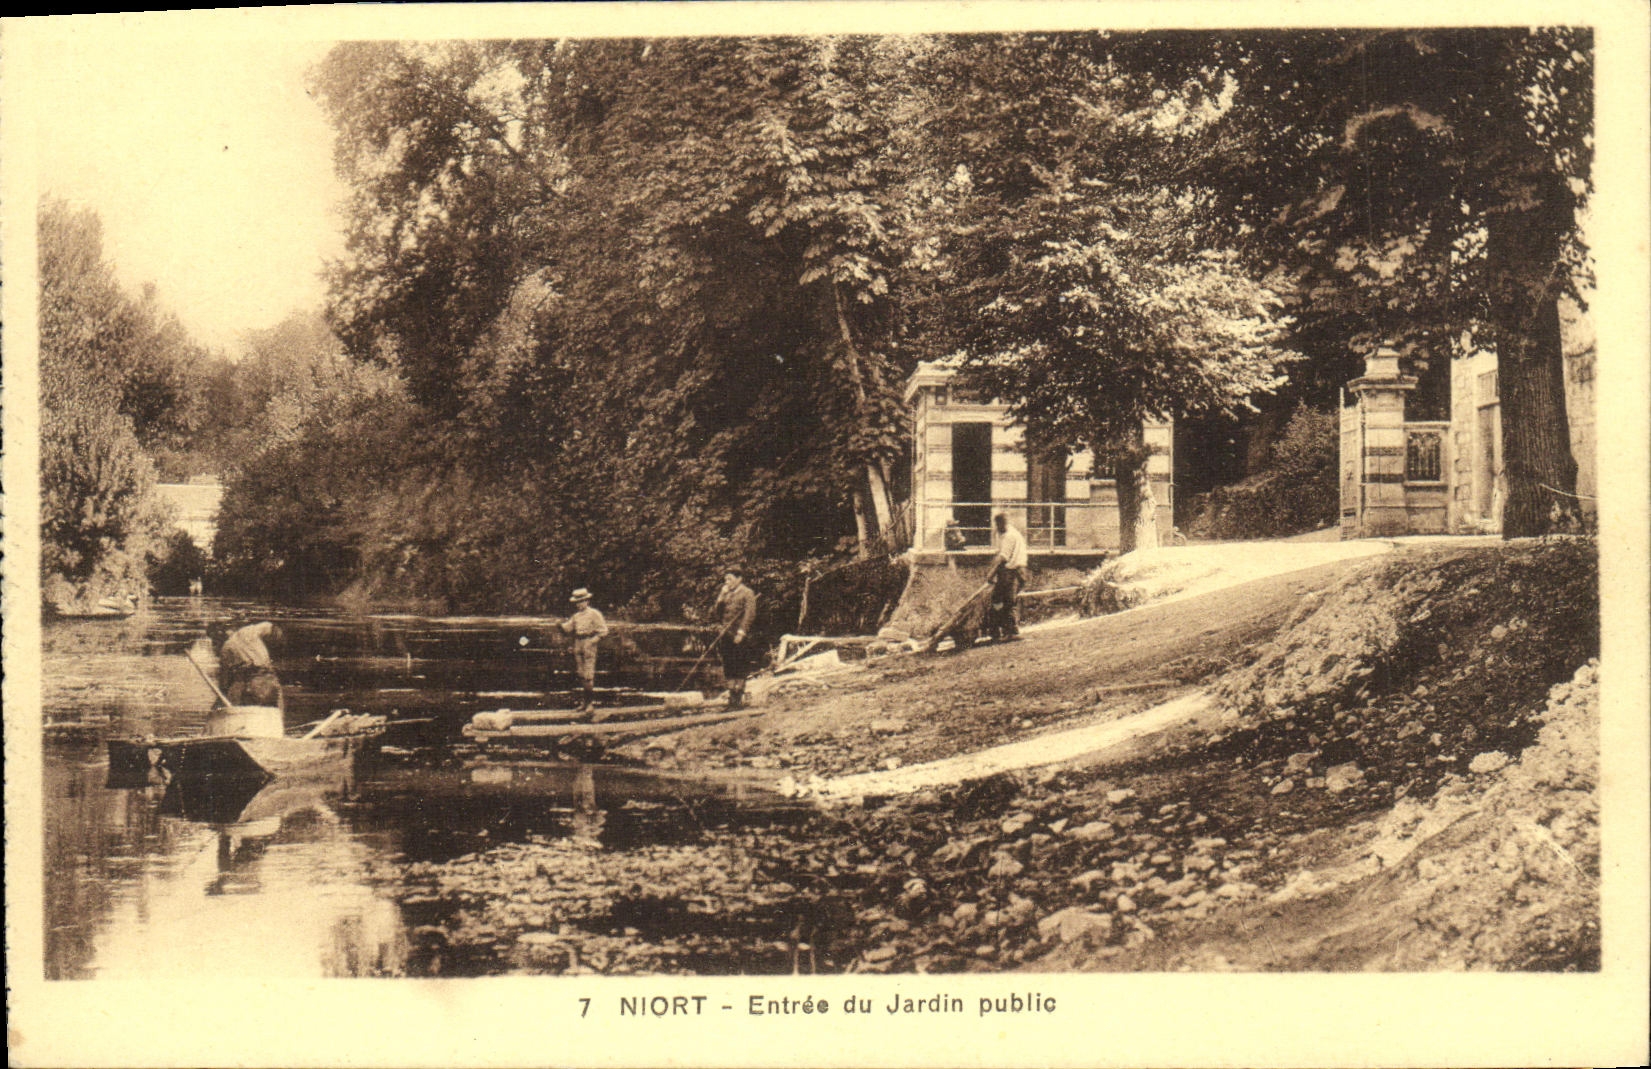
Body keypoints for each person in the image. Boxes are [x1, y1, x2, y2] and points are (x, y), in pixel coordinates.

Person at [712, 565, 759, 709]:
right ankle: (732, 698)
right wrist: (720, 598)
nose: (727, 582)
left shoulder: (747, 593)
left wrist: (741, 632)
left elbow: (749, 614)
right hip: (726, 634)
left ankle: (738, 698)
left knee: (740, 665)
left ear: (739, 579)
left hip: (739, 635)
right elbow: (717, 614)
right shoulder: (726, 593)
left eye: (730, 579)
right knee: (729, 665)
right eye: (726, 579)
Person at [561, 588, 609, 713]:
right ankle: (584, 702)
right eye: (577, 602)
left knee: (588, 674)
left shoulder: (594, 614)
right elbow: (568, 629)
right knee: (581, 673)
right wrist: (559, 625)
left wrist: (592, 641)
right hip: (578, 643)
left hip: (589, 643)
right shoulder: (576, 616)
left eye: (582, 601)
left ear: (587, 601)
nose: (579, 604)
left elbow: (604, 631)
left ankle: (590, 704)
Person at [218, 621, 284, 708]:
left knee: (240, 708)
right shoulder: (248, 630)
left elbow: (224, 680)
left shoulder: (225, 648)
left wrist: (221, 698)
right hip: (264, 675)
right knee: (275, 711)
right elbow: (274, 630)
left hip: (243, 680)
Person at [985, 512, 1028, 642]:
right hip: (1009, 570)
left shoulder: (1010, 536)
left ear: (1002, 523)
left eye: (998, 524)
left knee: (1008, 601)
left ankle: (1012, 632)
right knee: (998, 600)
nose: (997, 527)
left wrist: (991, 573)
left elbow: (1003, 557)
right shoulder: (1002, 534)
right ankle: (998, 631)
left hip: (1013, 571)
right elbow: (999, 554)